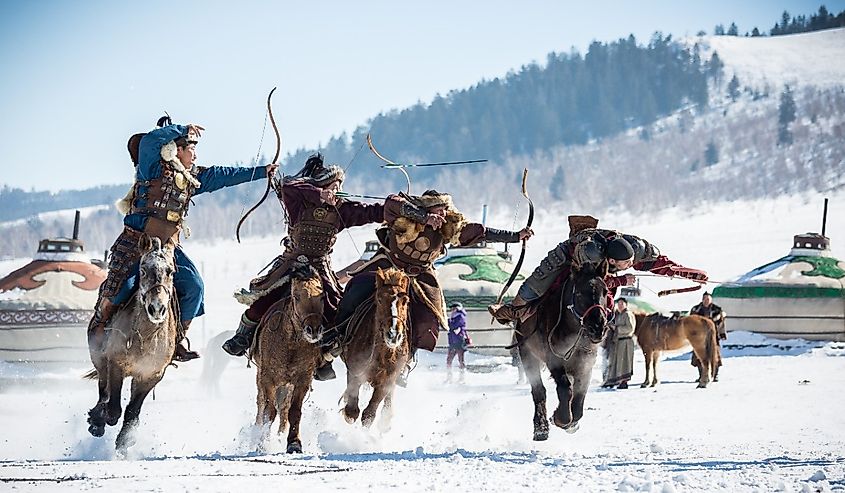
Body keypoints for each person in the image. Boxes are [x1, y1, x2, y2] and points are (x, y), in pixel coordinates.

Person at [88, 118, 277, 363]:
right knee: (120, 287)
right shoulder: (152, 167)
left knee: (195, 287)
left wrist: (262, 172)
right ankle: (100, 332)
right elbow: (148, 141)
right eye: (192, 149)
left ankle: (174, 341)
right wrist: (183, 129)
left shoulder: (192, 178)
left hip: (168, 249)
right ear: (177, 149)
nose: (195, 156)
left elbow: (225, 176)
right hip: (137, 243)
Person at [319, 189, 533, 383]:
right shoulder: (404, 215)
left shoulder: (448, 228)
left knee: (427, 317)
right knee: (355, 289)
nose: (442, 215)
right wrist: (424, 218)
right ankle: (333, 343)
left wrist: (516, 236)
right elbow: (392, 203)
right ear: (425, 209)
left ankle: (404, 360)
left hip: (419, 275)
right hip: (388, 266)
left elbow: (481, 232)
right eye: (437, 211)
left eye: (444, 211)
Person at [222, 154, 385, 371]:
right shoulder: (299, 202)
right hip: (291, 264)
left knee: (336, 308)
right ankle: (242, 338)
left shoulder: (342, 210)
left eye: (338, 187)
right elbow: (288, 185)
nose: (336, 191)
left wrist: (398, 208)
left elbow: (373, 211)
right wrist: (320, 194)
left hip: (320, 268)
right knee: (265, 300)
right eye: (332, 187)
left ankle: (325, 357)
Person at [489, 215, 707, 324]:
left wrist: (686, 273)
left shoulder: (634, 248)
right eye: (625, 265)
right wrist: (622, 281)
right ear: (611, 260)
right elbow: (588, 283)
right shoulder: (592, 254)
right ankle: (509, 311)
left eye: (631, 261)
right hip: (569, 257)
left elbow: (660, 263)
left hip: (599, 266)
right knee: (535, 288)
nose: (630, 266)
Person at [602, 298, 636, 389]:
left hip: (626, 341)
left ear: (626, 304)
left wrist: (616, 328)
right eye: (619, 304)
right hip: (618, 341)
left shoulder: (628, 314)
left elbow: (630, 328)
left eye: (622, 303)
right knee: (616, 362)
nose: (620, 305)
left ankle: (624, 382)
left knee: (625, 362)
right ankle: (614, 380)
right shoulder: (618, 315)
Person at [689, 291, 726, 373]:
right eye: (705, 299)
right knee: (699, 356)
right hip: (699, 337)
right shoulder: (696, 309)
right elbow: (690, 323)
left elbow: (721, 322)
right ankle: (701, 375)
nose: (706, 301)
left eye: (708, 299)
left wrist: (722, 333)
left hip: (713, 336)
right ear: (702, 299)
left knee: (714, 354)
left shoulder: (717, 310)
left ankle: (715, 374)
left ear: (711, 300)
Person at [445, 302, 470, 383]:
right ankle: (449, 377)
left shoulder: (460, 316)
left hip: (459, 341)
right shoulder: (453, 317)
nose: (452, 310)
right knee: (449, 360)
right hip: (453, 341)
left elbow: (453, 326)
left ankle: (462, 378)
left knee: (460, 360)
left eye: (453, 308)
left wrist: (448, 320)